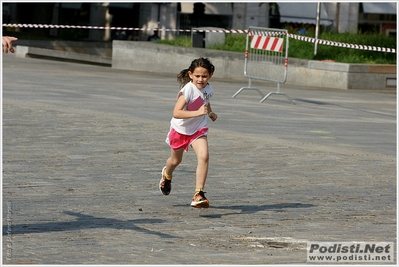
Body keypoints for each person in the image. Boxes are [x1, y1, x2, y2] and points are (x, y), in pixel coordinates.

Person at [160, 57, 218, 208]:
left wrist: (210, 113)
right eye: (197, 76)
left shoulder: (208, 89)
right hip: (180, 130)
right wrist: (198, 113)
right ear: (191, 74)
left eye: (204, 76)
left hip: (198, 129)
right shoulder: (187, 90)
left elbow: (205, 100)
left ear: (210, 75)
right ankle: (167, 174)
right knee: (175, 161)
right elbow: (176, 113)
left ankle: (199, 194)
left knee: (204, 156)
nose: (201, 79)